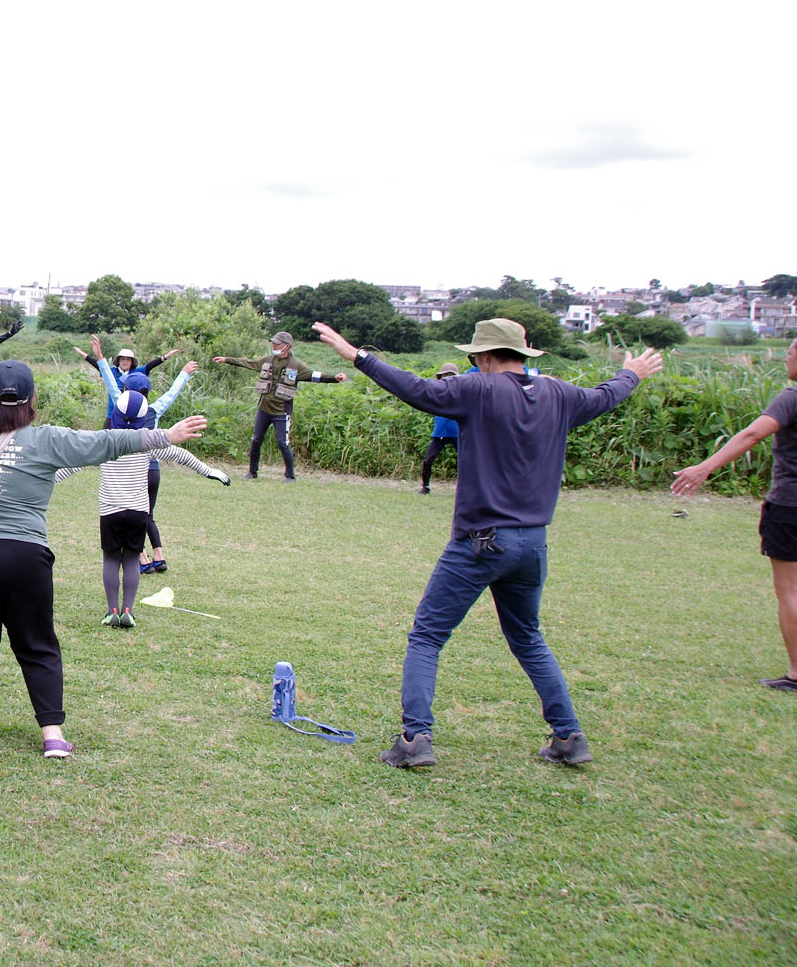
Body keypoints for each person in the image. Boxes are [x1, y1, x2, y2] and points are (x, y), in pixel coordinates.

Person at [311, 316, 663, 769]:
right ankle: (568, 738)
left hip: (480, 542)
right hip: (533, 544)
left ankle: (415, 740)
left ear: (482, 356)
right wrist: (630, 372)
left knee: (427, 635)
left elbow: (416, 389)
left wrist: (355, 354)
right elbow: (606, 395)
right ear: (524, 352)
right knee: (528, 639)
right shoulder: (559, 393)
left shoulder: (477, 389)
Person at [0, 356, 207, 760]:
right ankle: (53, 736)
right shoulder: (49, 439)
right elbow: (108, 442)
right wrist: (165, 436)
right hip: (21, 556)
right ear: (32, 399)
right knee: (36, 643)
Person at [670, 337, 797, 692]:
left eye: (790, 351)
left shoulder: (791, 398)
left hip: (790, 506)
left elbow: (753, 433)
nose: (786, 357)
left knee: (789, 589)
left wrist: (704, 467)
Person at [55, 389, 224, 627]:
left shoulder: (105, 440)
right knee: (132, 560)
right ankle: (128, 612)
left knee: (111, 560)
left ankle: (111, 611)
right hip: (138, 511)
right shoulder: (147, 441)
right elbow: (180, 455)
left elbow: (74, 464)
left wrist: (49, 480)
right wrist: (209, 471)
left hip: (110, 511)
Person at [93, 337, 206, 573]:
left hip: (130, 469)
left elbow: (110, 386)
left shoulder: (120, 402)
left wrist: (102, 359)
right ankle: (159, 556)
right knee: (146, 514)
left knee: (126, 512)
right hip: (152, 468)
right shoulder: (155, 409)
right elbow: (172, 393)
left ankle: (142, 560)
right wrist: (184, 373)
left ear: (126, 390)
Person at [213, 331, 347, 481]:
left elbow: (315, 376)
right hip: (263, 409)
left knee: (283, 443)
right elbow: (249, 363)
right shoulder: (268, 360)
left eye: (277, 343)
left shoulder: (296, 366)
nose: (273, 345)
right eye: (273, 342)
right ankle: (252, 472)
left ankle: (290, 476)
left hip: (281, 412)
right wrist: (227, 359)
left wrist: (335, 378)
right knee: (256, 440)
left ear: (286, 346)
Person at [418, 362, 461, 495]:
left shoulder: (460, 393)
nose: (447, 378)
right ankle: (425, 487)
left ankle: (466, 488)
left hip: (457, 433)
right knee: (428, 460)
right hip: (440, 434)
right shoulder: (437, 392)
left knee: (466, 461)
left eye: (450, 375)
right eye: (445, 375)